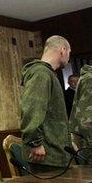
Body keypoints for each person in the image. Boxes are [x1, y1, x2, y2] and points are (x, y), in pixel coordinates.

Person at [20, 36, 73, 172]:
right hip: (46, 156)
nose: (68, 57)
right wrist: (35, 143)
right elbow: (31, 109)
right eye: (69, 52)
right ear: (63, 50)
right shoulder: (41, 73)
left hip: (55, 154)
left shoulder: (47, 73)